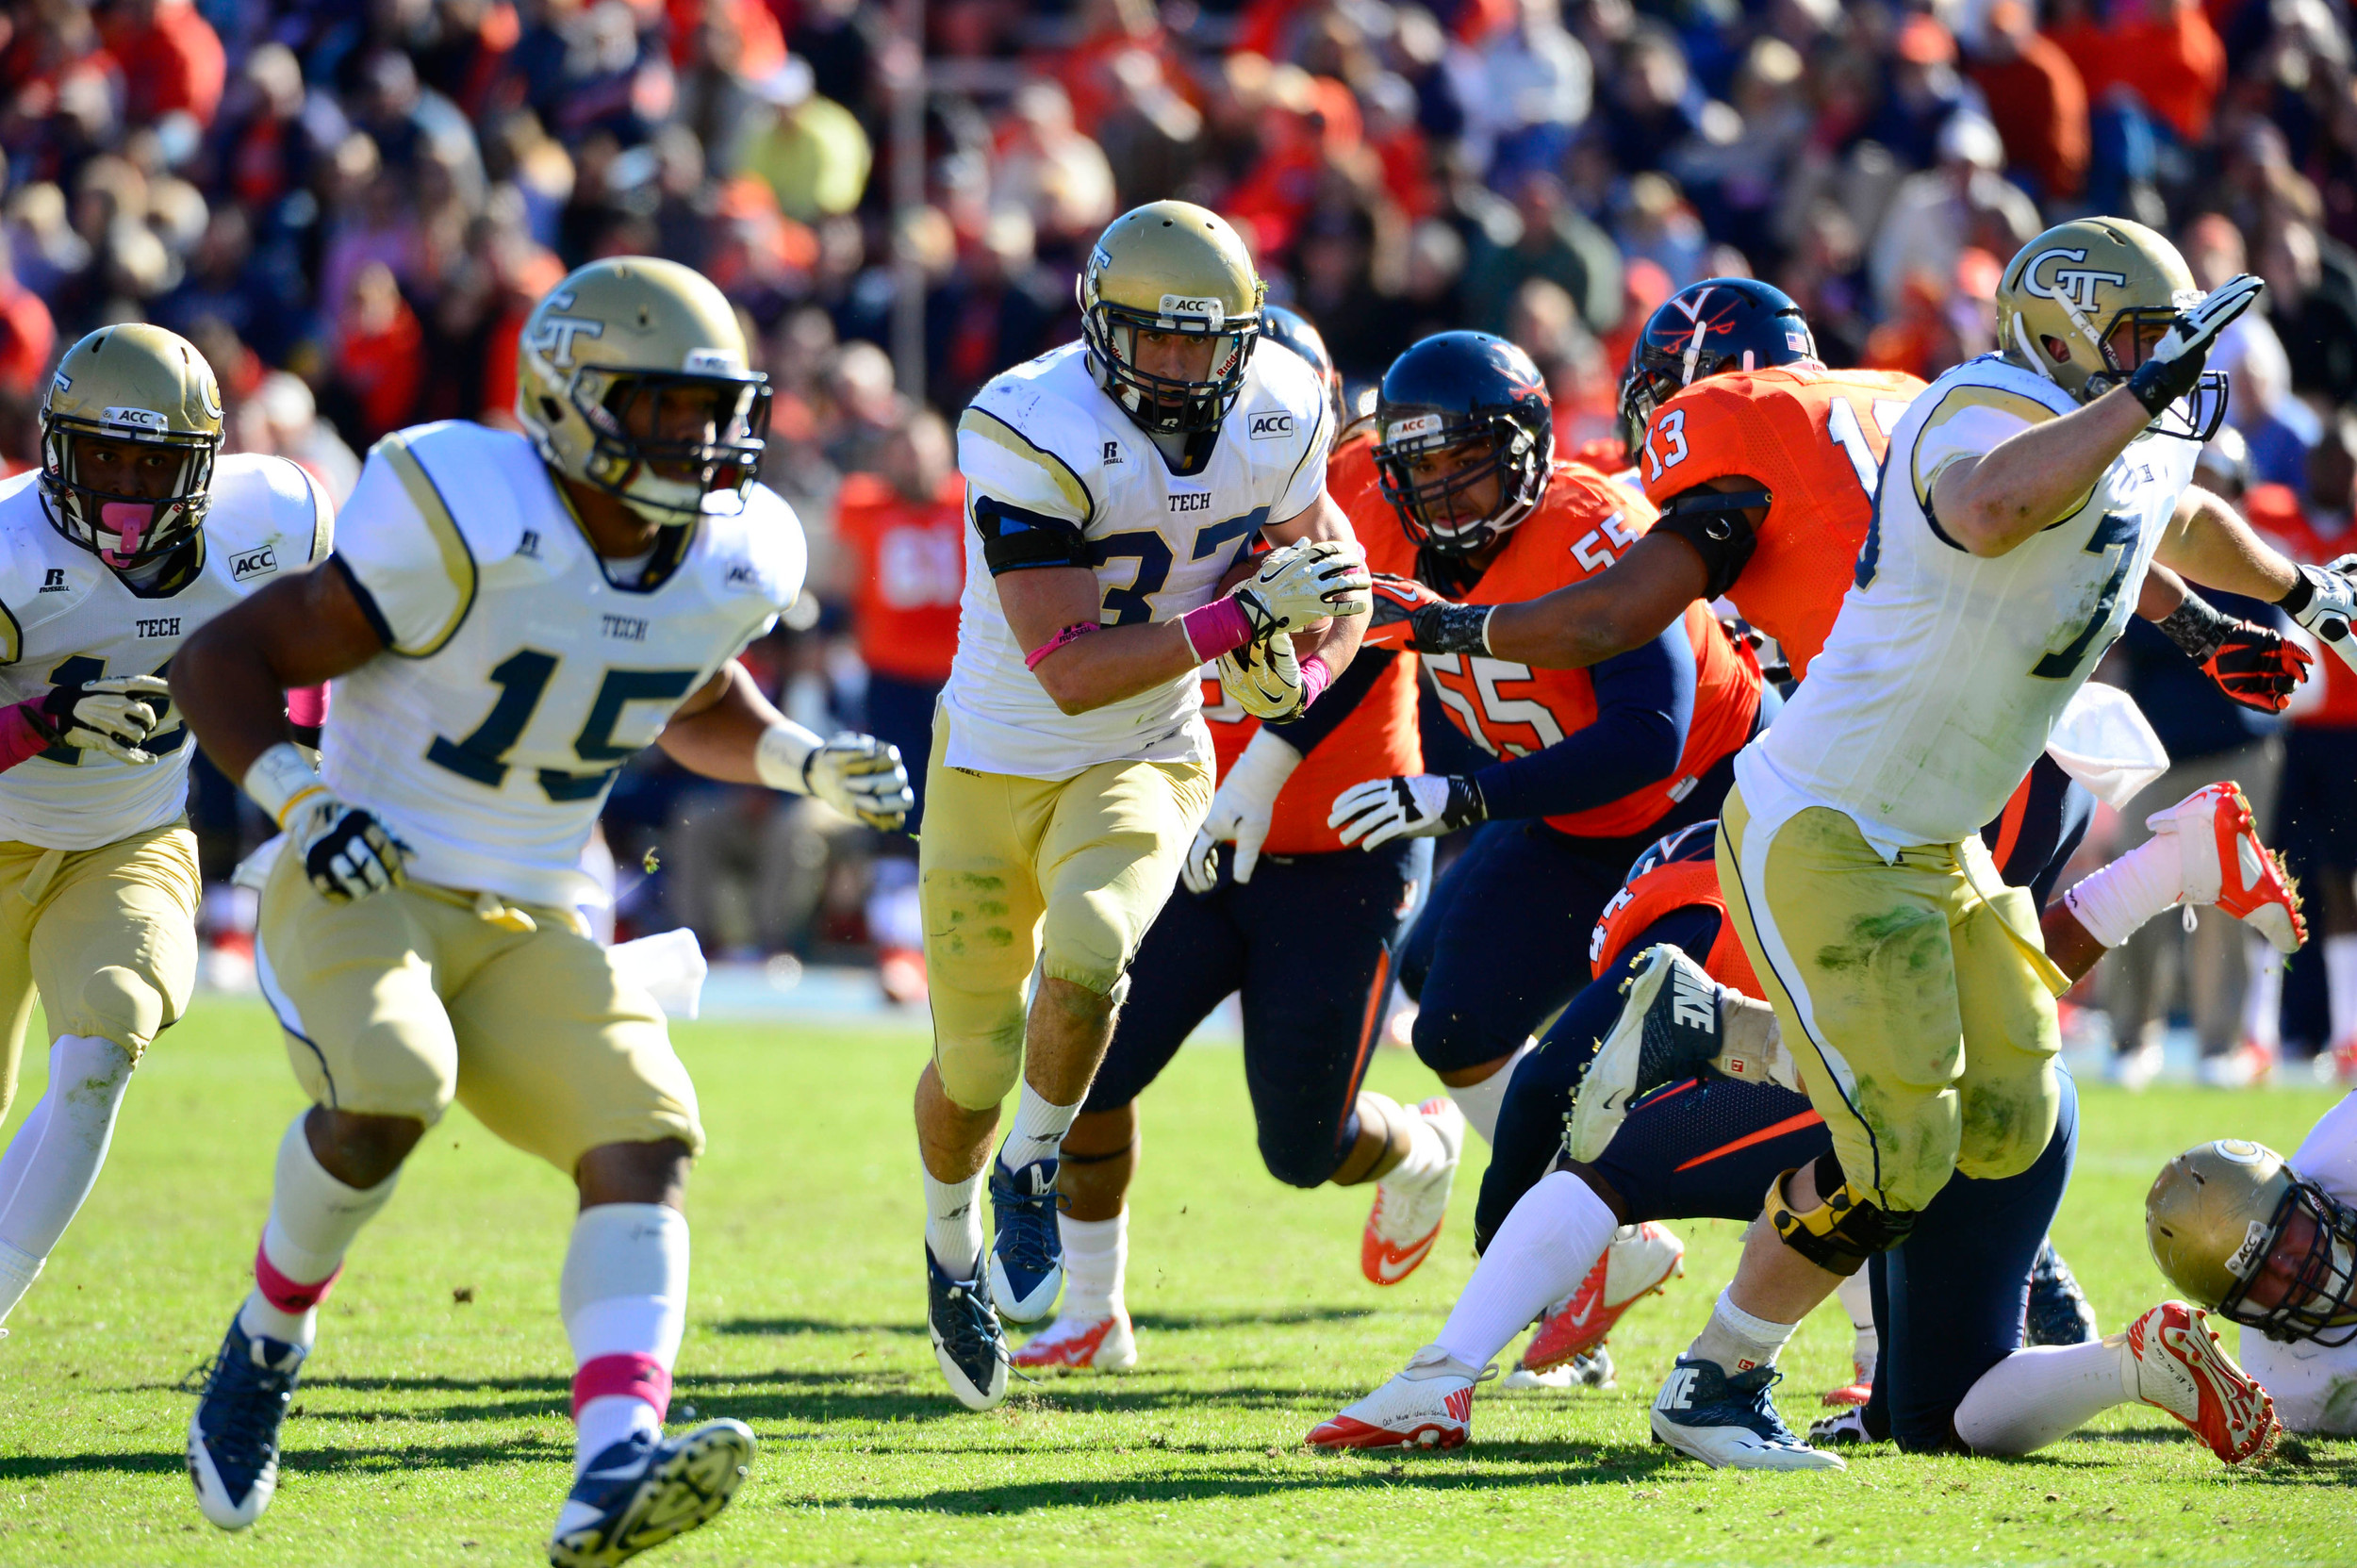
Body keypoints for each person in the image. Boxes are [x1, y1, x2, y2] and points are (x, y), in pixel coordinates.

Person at [170, 257, 914, 1565]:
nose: (696, 439)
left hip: (532, 907)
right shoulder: (465, 504)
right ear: (571, 403)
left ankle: (611, 1462)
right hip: (366, 869)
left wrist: (802, 755)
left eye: (708, 410)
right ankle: (266, 1340)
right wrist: (297, 795)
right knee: (394, 1082)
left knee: (648, 1127)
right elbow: (224, 656)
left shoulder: (731, 547)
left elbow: (692, 689)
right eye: (661, 408)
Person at [1637, 218, 2354, 1471]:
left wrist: (2289, 597)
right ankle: (1717, 1374)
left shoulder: (2113, 436)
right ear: (2067, 332)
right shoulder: (1980, 406)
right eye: (2139, 341)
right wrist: (2136, 397)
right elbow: (1989, 507)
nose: (2162, 369)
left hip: (1934, 834)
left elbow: (2176, 515)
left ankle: (1726, 1034)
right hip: (1828, 820)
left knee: (2015, 1111)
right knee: (1901, 1143)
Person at [1310, 767, 2306, 1461]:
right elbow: (2014, 983)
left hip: (1907, 1090)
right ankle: (2129, 1365)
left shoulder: (1703, 881)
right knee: (1934, 1412)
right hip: (2020, 1101)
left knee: (1622, 1159)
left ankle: (1468, 1377)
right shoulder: (1854, 828)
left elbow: (1543, 1092)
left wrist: (1497, 1264)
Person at [920, 201, 1371, 1411]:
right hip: (994, 756)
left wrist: (1306, 668)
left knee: (1093, 946)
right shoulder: (1030, 423)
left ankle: (1031, 1162)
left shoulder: (1281, 402)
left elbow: (1337, 579)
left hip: (1147, 756)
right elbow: (1067, 667)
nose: (1177, 368)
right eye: (1152, 342)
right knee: (969, 1060)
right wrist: (1239, 621)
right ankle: (947, 1242)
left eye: (1200, 343)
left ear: (1241, 335)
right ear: (1097, 327)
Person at [1012, 306, 1437, 1372]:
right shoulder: (1142, 481)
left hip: (1338, 847)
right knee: (1083, 1063)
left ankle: (1420, 1144)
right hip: (1191, 834)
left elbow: (1370, 638)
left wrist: (1273, 748)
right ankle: (1093, 1311)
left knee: (1302, 1151)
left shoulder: (1360, 491)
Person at [1331, 329, 1764, 1282]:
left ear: (1522, 447)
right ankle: (1600, 1253)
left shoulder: (1584, 523)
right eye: (1419, 464)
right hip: (1573, 817)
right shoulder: (1377, 512)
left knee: (1756, 1061)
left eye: (1465, 461)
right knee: (1449, 1015)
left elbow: (1645, 735)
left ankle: (1910, 1308)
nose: (1441, 489)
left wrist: (1463, 795)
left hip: (1710, 801)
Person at [0, 324, 327, 1340]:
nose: (127, 487)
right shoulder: (10, 550)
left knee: (104, 1043)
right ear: (55, 448)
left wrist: (303, 765)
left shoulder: (272, 520)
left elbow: (326, 644)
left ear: (206, 464)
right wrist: (39, 718)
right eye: (103, 456)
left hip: (128, 837)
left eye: (153, 461)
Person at [829, 407, 964, 1001]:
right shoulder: (862, 505)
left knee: (960, 815)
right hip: (889, 682)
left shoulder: (974, 502)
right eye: (902, 449)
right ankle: (900, 949)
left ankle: (961, 945)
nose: (912, 461)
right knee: (895, 818)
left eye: (923, 448)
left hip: (964, 682)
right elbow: (840, 584)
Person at [2141, 1116, 2357, 1436]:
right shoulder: (2293, 1388)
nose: (2284, 1268)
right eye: (2257, 1277)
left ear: (2307, 1194)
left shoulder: (2346, 1144)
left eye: (2281, 1235)